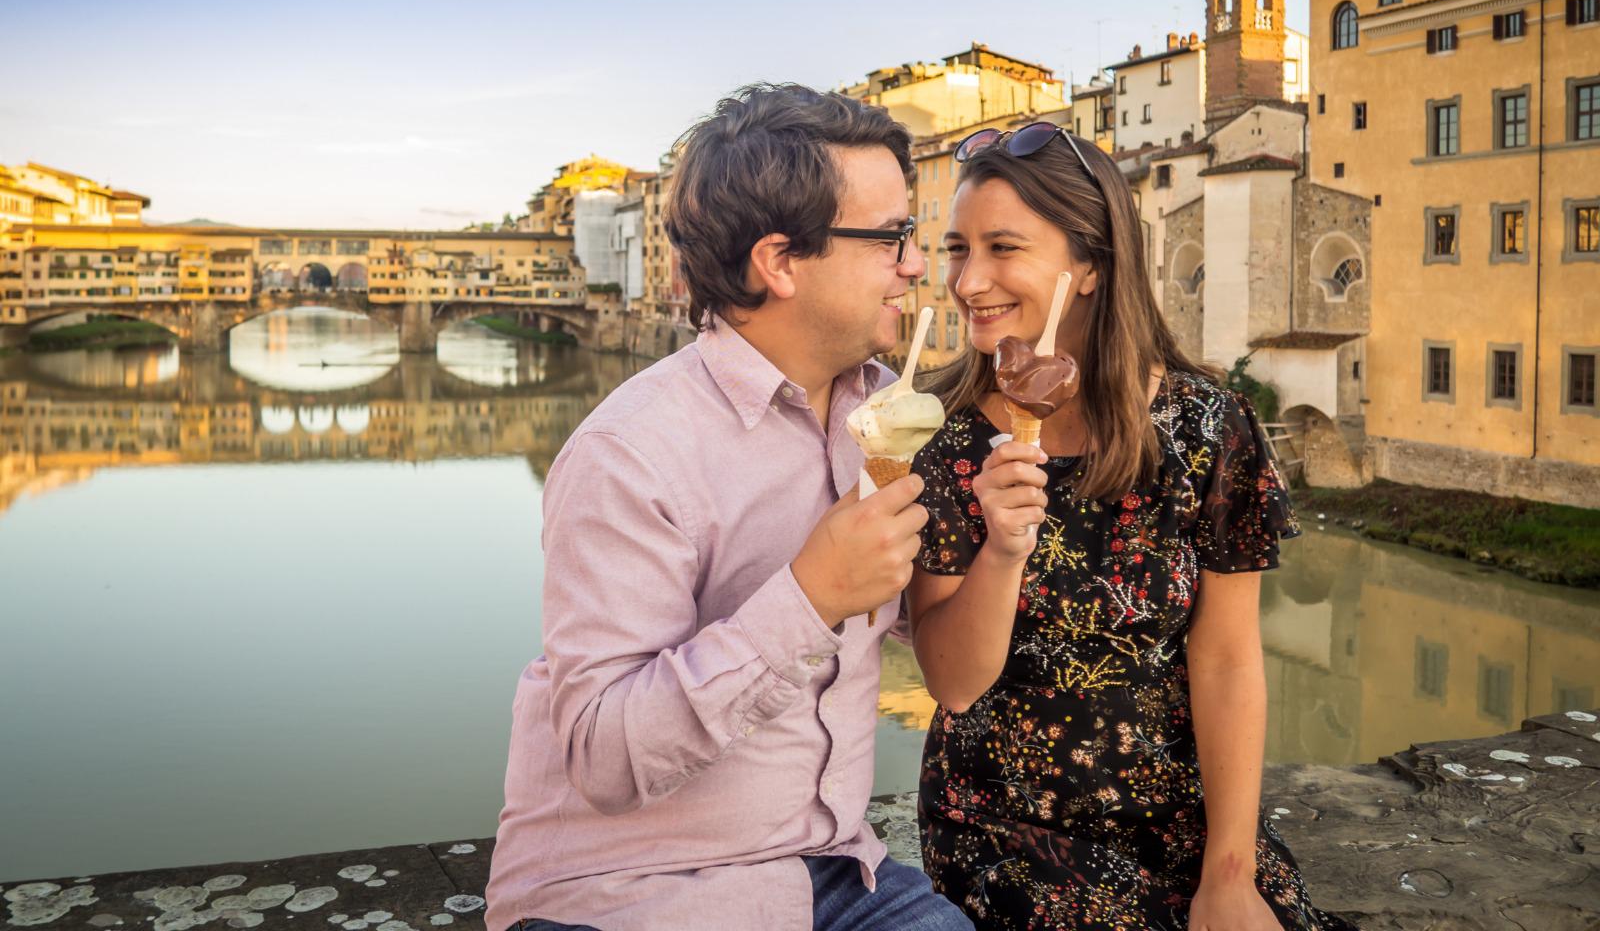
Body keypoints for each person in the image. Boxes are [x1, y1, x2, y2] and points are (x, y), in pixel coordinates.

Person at [485, 84, 972, 931]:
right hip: (627, 890)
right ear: (779, 262)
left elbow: (930, 645)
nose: (918, 264)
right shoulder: (629, 453)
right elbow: (602, 754)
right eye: (893, 237)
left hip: (832, 867)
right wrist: (810, 595)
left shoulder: (889, 418)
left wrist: (996, 540)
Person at [907, 122, 1356, 930]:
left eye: (1002, 247)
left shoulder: (1206, 426)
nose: (968, 281)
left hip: (1180, 817)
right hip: (1004, 826)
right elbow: (953, 683)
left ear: (1089, 264)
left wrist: (1229, 870)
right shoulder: (936, 433)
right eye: (954, 249)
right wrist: (1005, 548)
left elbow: (1225, 657)